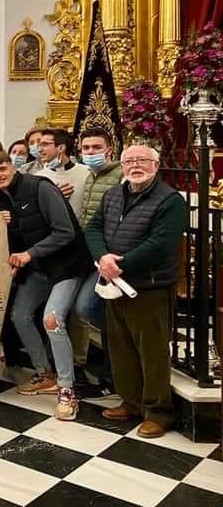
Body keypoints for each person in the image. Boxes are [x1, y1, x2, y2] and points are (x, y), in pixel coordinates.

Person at [84, 145, 186, 438]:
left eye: (142, 160)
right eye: (129, 161)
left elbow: (162, 243)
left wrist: (121, 264)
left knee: (152, 352)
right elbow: (93, 228)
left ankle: (158, 412)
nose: (134, 165)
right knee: (121, 348)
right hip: (113, 284)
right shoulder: (114, 194)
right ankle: (131, 402)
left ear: (156, 164)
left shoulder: (170, 200)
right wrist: (103, 257)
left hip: (149, 286)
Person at [0, 150, 92, 421]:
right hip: (39, 270)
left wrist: (28, 254)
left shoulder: (40, 187)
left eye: (1, 168)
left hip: (67, 266)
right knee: (19, 316)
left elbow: (65, 231)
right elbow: (18, 237)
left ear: (11, 167)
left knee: (52, 320)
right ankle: (45, 373)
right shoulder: (2, 196)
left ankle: (67, 390)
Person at [71, 127, 123, 394]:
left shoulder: (119, 175)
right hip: (91, 255)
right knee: (97, 312)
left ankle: (115, 371)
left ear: (109, 149)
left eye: (95, 148)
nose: (90, 153)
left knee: (87, 307)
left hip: (108, 256)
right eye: (86, 149)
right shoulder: (91, 176)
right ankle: (111, 374)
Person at [36, 128, 86, 210]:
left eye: (45, 145)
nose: (40, 150)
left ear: (61, 148)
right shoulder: (38, 177)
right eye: (40, 145)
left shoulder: (86, 172)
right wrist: (54, 197)